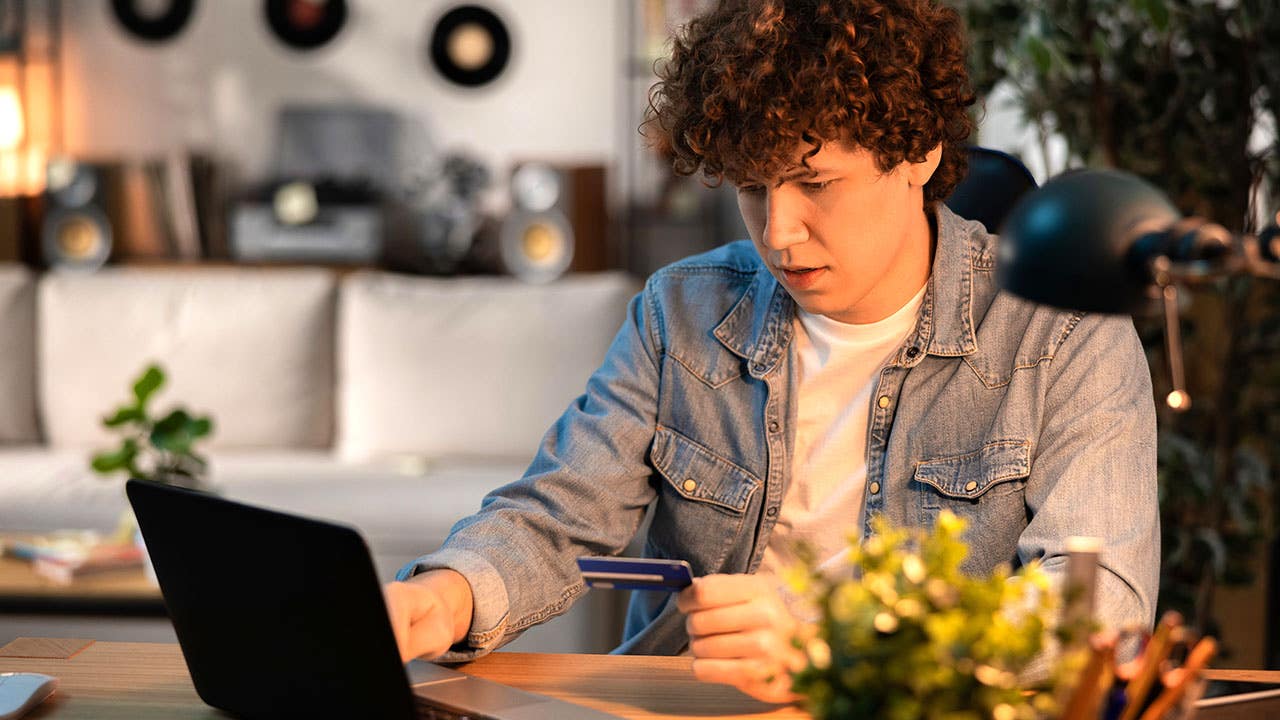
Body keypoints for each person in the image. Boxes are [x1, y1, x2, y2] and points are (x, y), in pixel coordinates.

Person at [384, 0, 1159, 704]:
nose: (779, 233)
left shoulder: (1064, 329)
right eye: (752, 188)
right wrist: (440, 598)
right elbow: (557, 517)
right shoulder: (680, 310)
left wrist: (840, 646)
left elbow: (1098, 608)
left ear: (918, 153)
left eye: (814, 181)